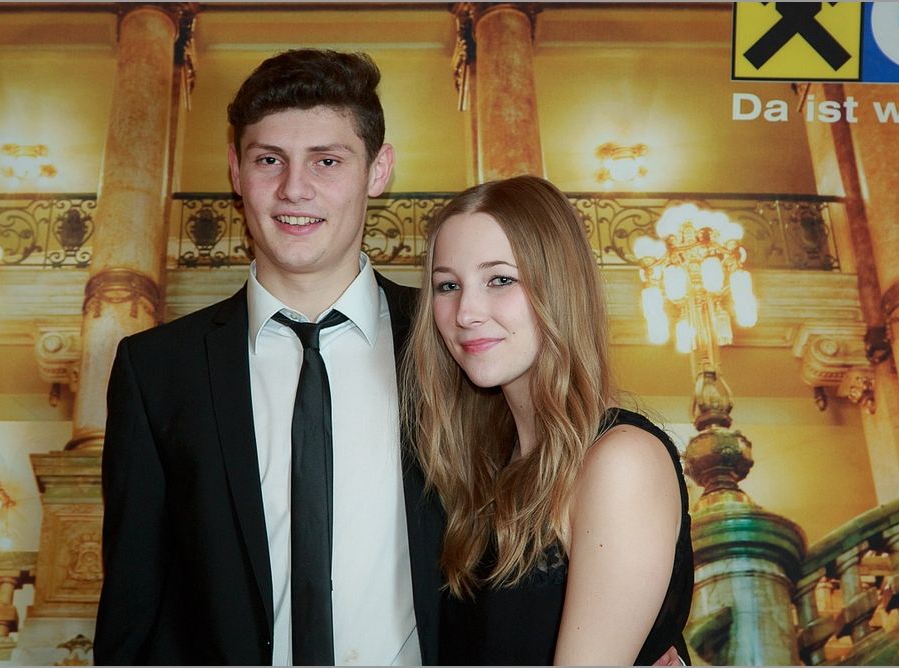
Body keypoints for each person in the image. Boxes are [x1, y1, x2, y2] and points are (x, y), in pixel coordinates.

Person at [93, 49, 444, 665]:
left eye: (327, 161)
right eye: (268, 160)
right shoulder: (157, 371)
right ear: (236, 171)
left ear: (378, 170)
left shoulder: (448, 341)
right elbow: (133, 605)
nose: (294, 189)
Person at [402, 175, 694, 665]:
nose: (466, 312)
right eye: (448, 286)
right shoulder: (480, 477)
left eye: (500, 280)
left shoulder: (621, 460)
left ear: (558, 286)